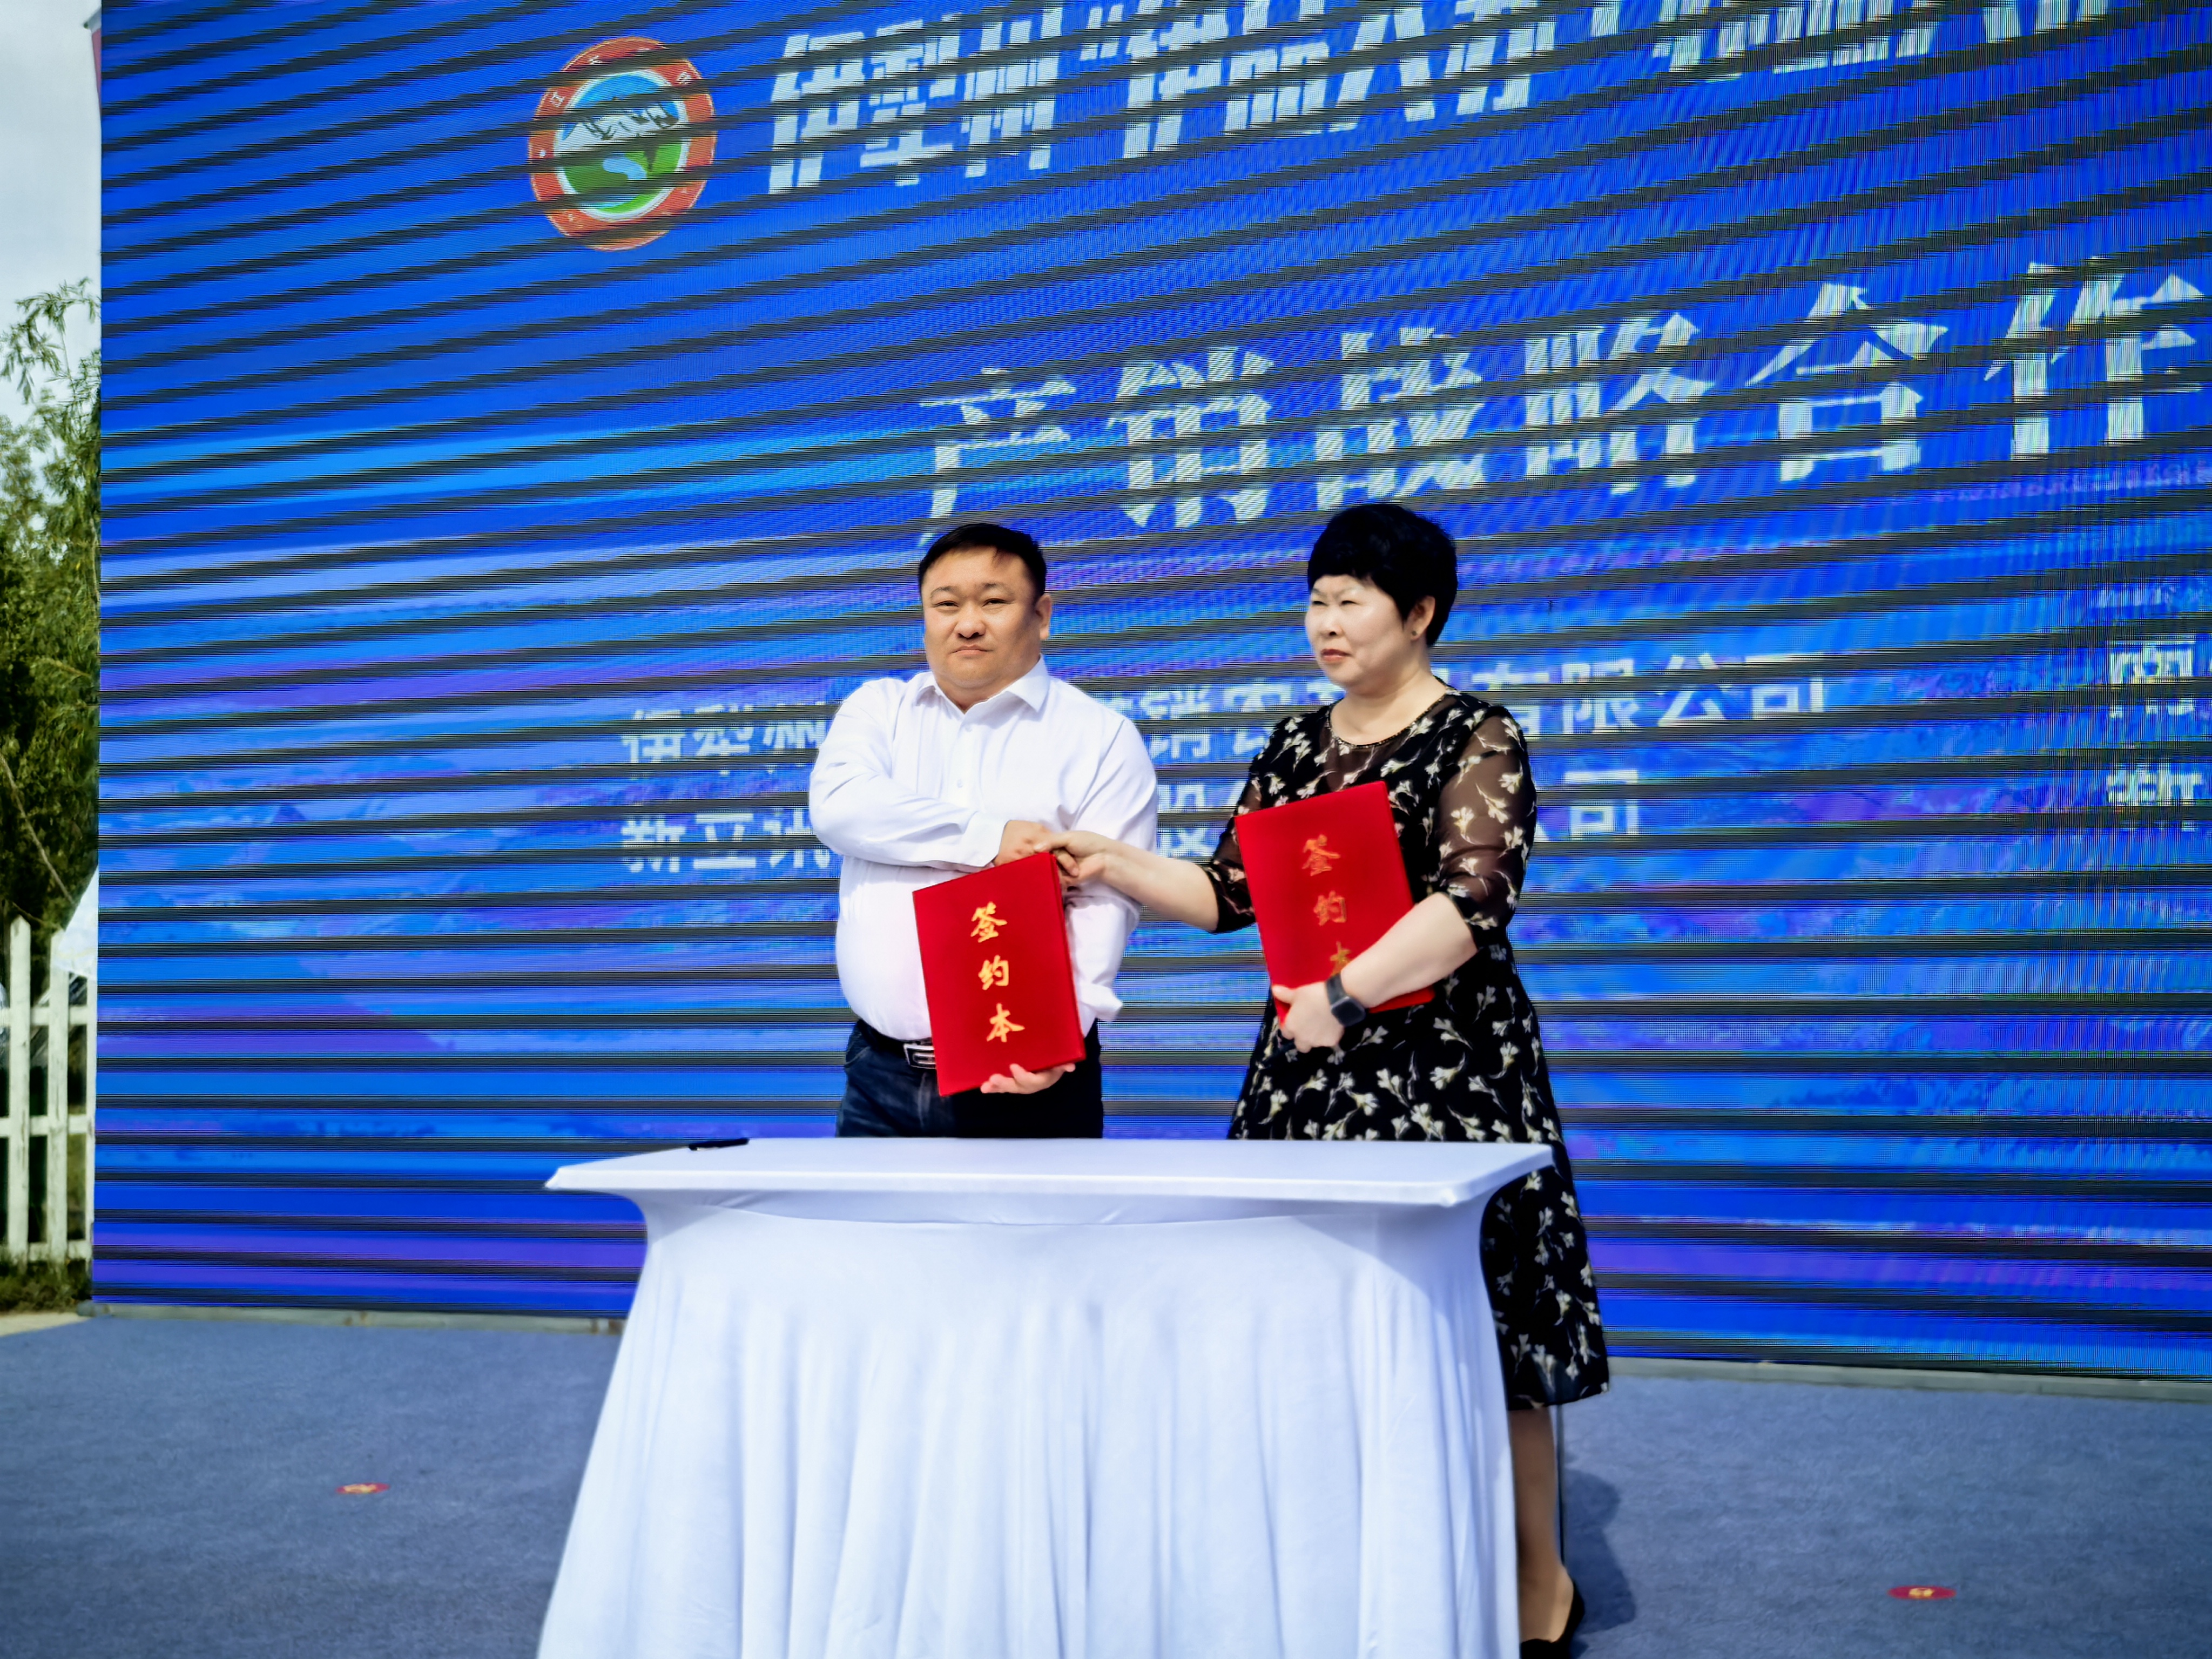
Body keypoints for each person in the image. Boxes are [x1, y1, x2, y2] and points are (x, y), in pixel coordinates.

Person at [1049, 502, 1606, 1656]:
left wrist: (1344, 997)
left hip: (1449, 1074)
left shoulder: (1477, 734)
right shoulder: (1296, 743)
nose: (1326, 622)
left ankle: (1536, 1584)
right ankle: (1344, 1569)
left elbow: (1474, 899)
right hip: (1310, 1076)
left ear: (1420, 613)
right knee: (1308, 1326)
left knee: (1487, 1336)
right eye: (1316, 600)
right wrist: (1111, 863)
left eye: (1351, 600)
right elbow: (1229, 892)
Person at [810, 522, 1156, 1138]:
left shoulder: (1101, 737)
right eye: (946, 605)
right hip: (877, 1074)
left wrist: (1061, 1036)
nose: (967, 624)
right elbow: (840, 808)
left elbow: (1108, 898)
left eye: (993, 602)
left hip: (1026, 1078)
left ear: (1041, 616)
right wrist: (991, 839)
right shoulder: (879, 710)